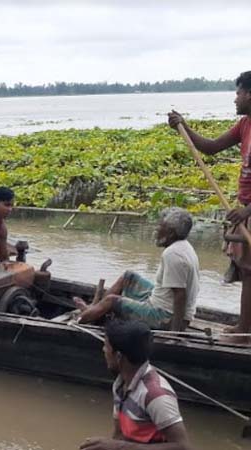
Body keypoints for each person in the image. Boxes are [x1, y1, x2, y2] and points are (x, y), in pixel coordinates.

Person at [168, 71, 251, 342]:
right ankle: (244, 326)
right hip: (246, 206)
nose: (235, 98)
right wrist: (184, 127)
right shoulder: (244, 125)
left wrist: (248, 211)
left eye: (238, 93)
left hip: (250, 209)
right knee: (247, 270)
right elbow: (212, 147)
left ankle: (245, 329)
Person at [74, 208, 199, 331]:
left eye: (161, 226)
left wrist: (175, 332)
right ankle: (93, 310)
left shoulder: (173, 254)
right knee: (128, 276)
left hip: (165, 317)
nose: (157, 229)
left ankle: (79, 319)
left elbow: (180, 295)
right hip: (161, 302)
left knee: (111, 300)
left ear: (171, 233)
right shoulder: (185, 246)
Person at [80, 320, 192, 450]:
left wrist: (118, 446)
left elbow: (183, 447)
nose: (103, 350)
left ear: (118, 356)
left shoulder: (156, 395)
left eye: (106, 346)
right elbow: (120, 434)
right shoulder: (120, 384)